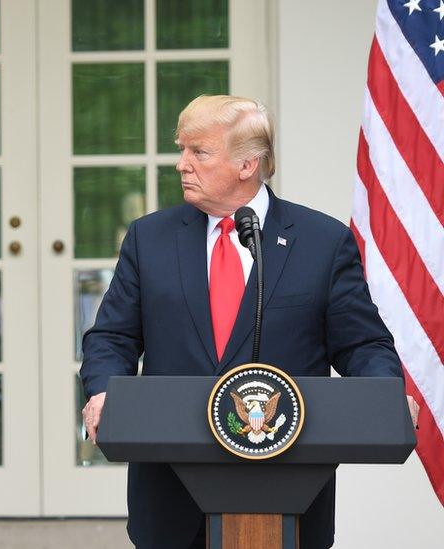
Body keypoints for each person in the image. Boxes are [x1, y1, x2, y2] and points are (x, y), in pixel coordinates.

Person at [79, 95, 414, 549]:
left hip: (286, 494)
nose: (181, 164)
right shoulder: (149, 238)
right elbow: (112, 337)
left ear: (247, 164)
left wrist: (384, 396)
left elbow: (362, 345)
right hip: (169, 498)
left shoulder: (322, 242)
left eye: (198, 152)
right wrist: (104, 391)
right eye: (182, 150)